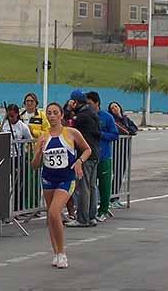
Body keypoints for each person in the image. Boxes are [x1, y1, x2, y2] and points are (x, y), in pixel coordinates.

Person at [32, 102, 92, 269]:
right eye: (49, 113)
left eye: (55, 112)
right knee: (51, 218)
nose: (51, 115)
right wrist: (38, 153)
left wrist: (79, 161)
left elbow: (88, 149)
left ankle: (62, 252)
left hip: (67, 178)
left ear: (61, 115)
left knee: (54, 211)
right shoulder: (43, 137)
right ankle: (56, 253)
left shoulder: (71, 133)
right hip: (48, 179)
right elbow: (35, 165)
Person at [65, 90, 101, 228]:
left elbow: (68, 127)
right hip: (95, 153)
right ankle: (92, 216)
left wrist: (68, 110)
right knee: (91, 186)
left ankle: (82, 218)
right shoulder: (92, 113)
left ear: (75, 102)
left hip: (84, 155)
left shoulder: (81, 117)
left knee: (83, 187)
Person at [86, 91, 119, 222]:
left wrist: (101, 134)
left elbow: (115, 135)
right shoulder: (85, 116)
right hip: (90, 156)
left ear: (97, 103)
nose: (87, 106)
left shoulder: (106, 117)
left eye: (90, 104)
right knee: (90, 185)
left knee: (104, 185)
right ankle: (90, 210)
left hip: (104, 156)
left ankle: (103, 210)